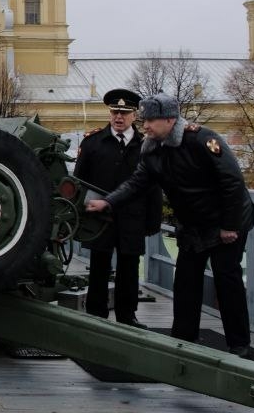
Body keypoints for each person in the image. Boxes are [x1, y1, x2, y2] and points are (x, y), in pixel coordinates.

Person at [85, 92, 254, 355]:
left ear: (169, 120)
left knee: (226, 279)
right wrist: (108, 202)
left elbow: (232, 182)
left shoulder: (201, 140)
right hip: (192, 225)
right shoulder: (152, 149)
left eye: (150, 121)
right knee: (185, 281)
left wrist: (230, 226)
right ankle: (183, 341)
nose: (146, 126)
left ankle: (239, 344)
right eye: (144, 121)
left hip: (225, 221)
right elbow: (137, 183)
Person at [73, 88, 161, 328]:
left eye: (124, 112)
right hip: (100, 218)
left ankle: (127, 315)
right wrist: (79, 218)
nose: (118, 117)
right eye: (115, 112)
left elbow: (154, 186)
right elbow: (78, 182)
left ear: (134, 115)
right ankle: (96, 314)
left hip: (132, 217)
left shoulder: (146, 146)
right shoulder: (93, 143)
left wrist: (153, 221)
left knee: (129, 267)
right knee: (99, 265)